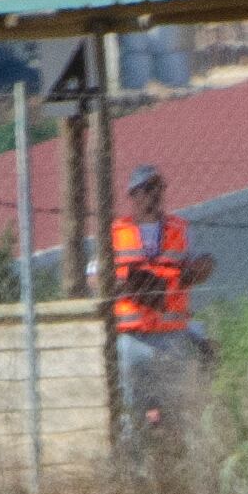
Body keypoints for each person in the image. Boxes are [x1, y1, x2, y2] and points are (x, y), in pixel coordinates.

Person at [107, 163, 215, 446]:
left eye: (159, 188)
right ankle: (137, 476)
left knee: (176, 413)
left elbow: (193, 266)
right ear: (134, 195)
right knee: (133, 414)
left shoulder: (179, 228)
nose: (155, 194)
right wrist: (128, 286)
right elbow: (96, 276)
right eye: (148, 188)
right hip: (132, 336)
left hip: (171, 335)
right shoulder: (116, 232)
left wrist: (198, 270)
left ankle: (174, 473)